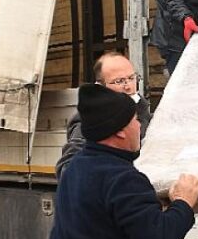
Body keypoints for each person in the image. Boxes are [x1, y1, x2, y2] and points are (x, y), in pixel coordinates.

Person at [49, 83, 198, 239]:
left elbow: (107, 221)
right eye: (135, 119)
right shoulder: (123, 179)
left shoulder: (74, 167)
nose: (139, 126)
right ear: (120, 131)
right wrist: (183, 202)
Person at [55, 52, 152, 180]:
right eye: (120, 81)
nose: (128, 86)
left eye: (132, 78)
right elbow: (68, 170)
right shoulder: (90, 122)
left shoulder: (145, 114)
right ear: (101, 87)